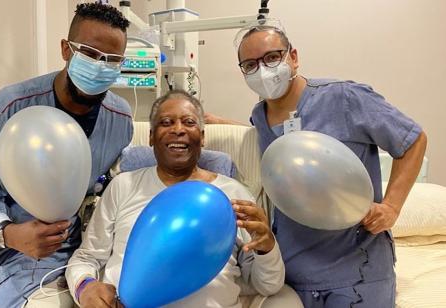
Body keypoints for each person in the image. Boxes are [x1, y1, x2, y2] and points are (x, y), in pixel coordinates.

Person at [206, 22, 427, 307]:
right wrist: (223, 124)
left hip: (356, 271)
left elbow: (412, 139)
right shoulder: (259, 116)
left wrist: (392, 207)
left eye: (272, 57)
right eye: (250, 65)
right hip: (294, 274)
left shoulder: (344, 98)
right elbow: (284, 144)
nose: (263, 70)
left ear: (293, 56)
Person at [0, 3, 133, 307]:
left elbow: (112, 175)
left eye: (111, 60)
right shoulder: (9, 107)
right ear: (66, 49)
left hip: (58, 256)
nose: (99, 66)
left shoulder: (119, 117)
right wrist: (9, 233)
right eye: (90, 54)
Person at [65, 90, 304, 308]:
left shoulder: (233, 194)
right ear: (150, 137)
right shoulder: (123, 186)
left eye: (189, 122)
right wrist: (85, 287)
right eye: (166, 123)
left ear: (202, 137)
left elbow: (268, 285)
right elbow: (87, 257)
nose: (178, 129)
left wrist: (267, 248)